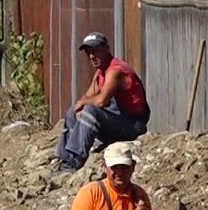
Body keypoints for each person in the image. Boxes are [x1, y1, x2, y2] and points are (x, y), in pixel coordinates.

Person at [55, 32, 151, 173]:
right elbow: (86, 97)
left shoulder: (115, 71)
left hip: (133, 126)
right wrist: (80, 106)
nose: (92, 56)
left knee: (90, 111)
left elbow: (101, 101)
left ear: (107, 49)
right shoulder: (101, 73)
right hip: (117, 123)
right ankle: (64, 157)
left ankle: (73, 161)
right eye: (88, 53)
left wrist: (84, 103)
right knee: (72, 111)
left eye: (95, 51)